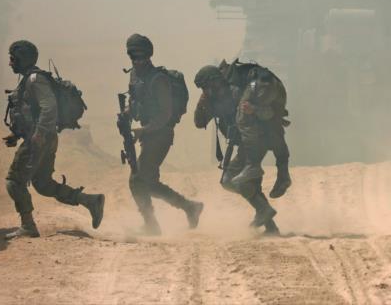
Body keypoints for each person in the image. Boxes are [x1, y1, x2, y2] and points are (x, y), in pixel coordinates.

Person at [4, 40, 105, 239]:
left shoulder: (34, 80)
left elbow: (49, 106)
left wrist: (39, 134)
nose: (10, 63)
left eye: (13, 58)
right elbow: (29, 112)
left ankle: (28, 225)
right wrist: (16, 135)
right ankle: (90, 201)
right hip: (43, 137)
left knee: (14, 181)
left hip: (39, 139)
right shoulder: (29, 80)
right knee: (42, 184)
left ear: (23, 59)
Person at [193, 61, 291, 234]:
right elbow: (199, 122)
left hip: (259, 139)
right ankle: (270, 224)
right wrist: (202, 100)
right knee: (242, 182)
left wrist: (253, 110)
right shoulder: (213, 100)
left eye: (208, 87)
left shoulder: (238, 91)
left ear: (216, 81)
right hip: (246, 143)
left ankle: (265, 214)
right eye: (204, 89)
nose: (208, 91)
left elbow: (269, 113)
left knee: (230, 179)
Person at [124, 34, 203, 235]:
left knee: (137, 180)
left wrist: (145, 129)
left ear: (149, 56)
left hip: (161, 135)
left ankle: (152, 224)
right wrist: (126, 114)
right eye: (134, 56)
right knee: (148, 183)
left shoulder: (158, 79)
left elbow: (165, 114)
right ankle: (189, 207)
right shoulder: (134, 75)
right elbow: (135, 102)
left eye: (142, 56)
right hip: (148, 134)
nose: (138, 60)